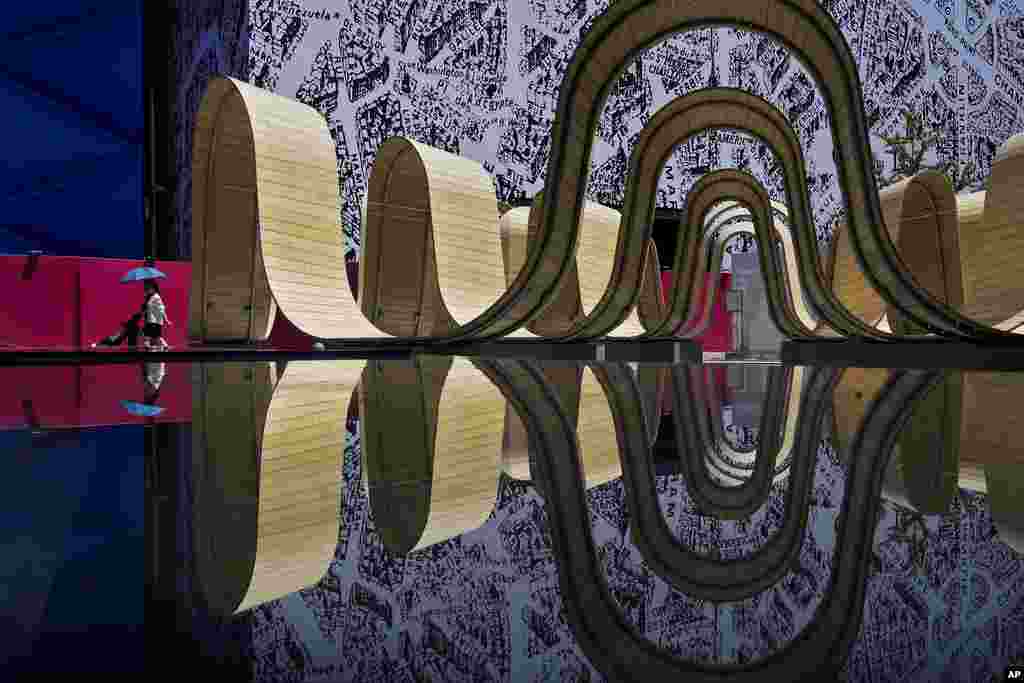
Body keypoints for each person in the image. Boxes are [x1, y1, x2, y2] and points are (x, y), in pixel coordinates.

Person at [141, 279, 171, 350]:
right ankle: (165, 346)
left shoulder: (156, 297)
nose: (147, 290)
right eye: (146, 288)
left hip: (154, 321)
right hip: (153, 321)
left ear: (154, 289)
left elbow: (162, 309)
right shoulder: (152, 297)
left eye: (149, 288)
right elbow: (146, 308)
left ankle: (148, 346)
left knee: (148, 335)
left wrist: (166, 320)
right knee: (156, 336)